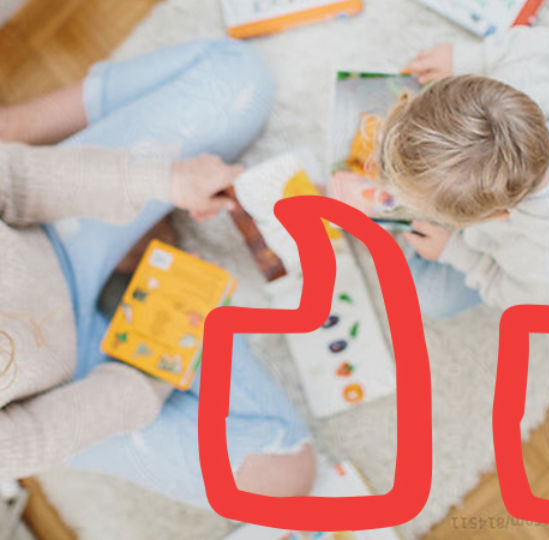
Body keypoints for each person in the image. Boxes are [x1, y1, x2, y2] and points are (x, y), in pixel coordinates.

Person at [0, 39, 315, 506]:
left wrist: (164, 179)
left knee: (238, 78)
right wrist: (158, 358)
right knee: (283, 478)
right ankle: (143, 265)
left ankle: (12, 126)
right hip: (70, 385)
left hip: (50, 231)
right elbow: (43, 432)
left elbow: (19, 182)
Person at [366, 27, 549, 319]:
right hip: (499, 204)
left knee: (428, 296)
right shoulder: (532, 70)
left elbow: (520, 297)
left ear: (495, 217)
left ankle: (433, 235)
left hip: (528, 250)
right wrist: (466, 58)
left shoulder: (548, 268)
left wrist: (455, 251)